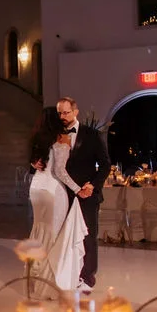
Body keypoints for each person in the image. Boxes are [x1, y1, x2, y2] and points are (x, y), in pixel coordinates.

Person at [27, 107, 88, 292]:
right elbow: (60, 171)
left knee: (39, 232)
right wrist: (78, 189)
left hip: (36, 189)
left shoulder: (37, 139)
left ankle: (35, 283)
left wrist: (33, 163)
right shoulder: (62, 138)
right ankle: (48, 286)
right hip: (53, 191)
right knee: (53, 236)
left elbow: (36, 164)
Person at [56, 97, 110, 290]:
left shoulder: (92, 135)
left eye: (66, 112)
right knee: (64, 235)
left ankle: (88, 276)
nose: (63, 116)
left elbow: (105, 165)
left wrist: (92, 185)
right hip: (63, 193)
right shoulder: (55, 134)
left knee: (88, 235)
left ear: (75, 112)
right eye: (60, 113)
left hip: (87, 193)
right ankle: (67, 274)